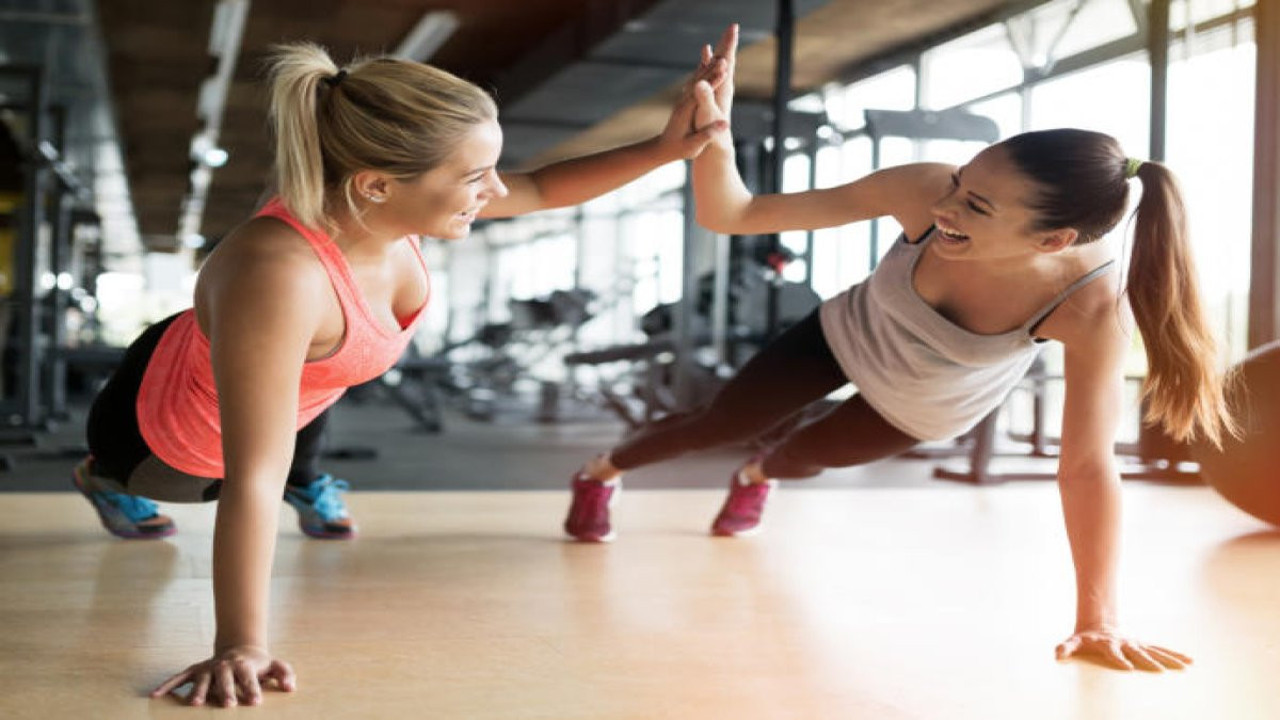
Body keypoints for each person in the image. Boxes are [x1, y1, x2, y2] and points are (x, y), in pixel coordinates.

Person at [71, 39, 729, 706]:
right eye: (477, 177)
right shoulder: (279, 275)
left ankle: (305, 466)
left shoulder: (385, 205)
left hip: (288, 376)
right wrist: (241, 643)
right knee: (210, 476)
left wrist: (669, 147)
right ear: (375, 184)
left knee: (310, 399)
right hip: (163, 435)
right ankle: (101, 478)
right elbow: (253, 478)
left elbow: (539, 188)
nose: (496, 189)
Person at [563, 25, 1234, 672]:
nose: (948, 208)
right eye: (960, 185)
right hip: (844, 334)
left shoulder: (1089, 308)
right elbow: (732, 215)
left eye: (977, 208)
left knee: (800, 458)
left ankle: (755, 478)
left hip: (924, 404)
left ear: (1053, 241)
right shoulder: (923, 191)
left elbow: (1088, 468)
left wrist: (1099, 618)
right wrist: (713, 134)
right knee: (721, 423)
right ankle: (599, 473)